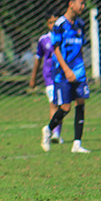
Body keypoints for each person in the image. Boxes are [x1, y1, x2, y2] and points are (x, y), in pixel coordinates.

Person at [40, 0, 91, 153]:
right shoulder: (60, 24)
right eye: (80, 3)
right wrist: (67, 70)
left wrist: (82, 69)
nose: (83, 6)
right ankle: (48, 130)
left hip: (79, 70)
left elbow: (80, 47)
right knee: (65, 108)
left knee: (81, 102)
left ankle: (77, 144)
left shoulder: (81, 24)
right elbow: (56, 49)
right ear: (71, 4)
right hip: (63, 72)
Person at [29, 14, 63, 144]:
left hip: (62, 74)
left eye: (55, 22)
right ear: (47, 24)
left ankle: (57, 133)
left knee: (62, 104)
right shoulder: (43, 39)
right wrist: (33, 77)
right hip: (49, 76)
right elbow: (38, 59)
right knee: (53, 103)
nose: (53, 25)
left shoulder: (64, 37)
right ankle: (54, 133)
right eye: (50, 22)